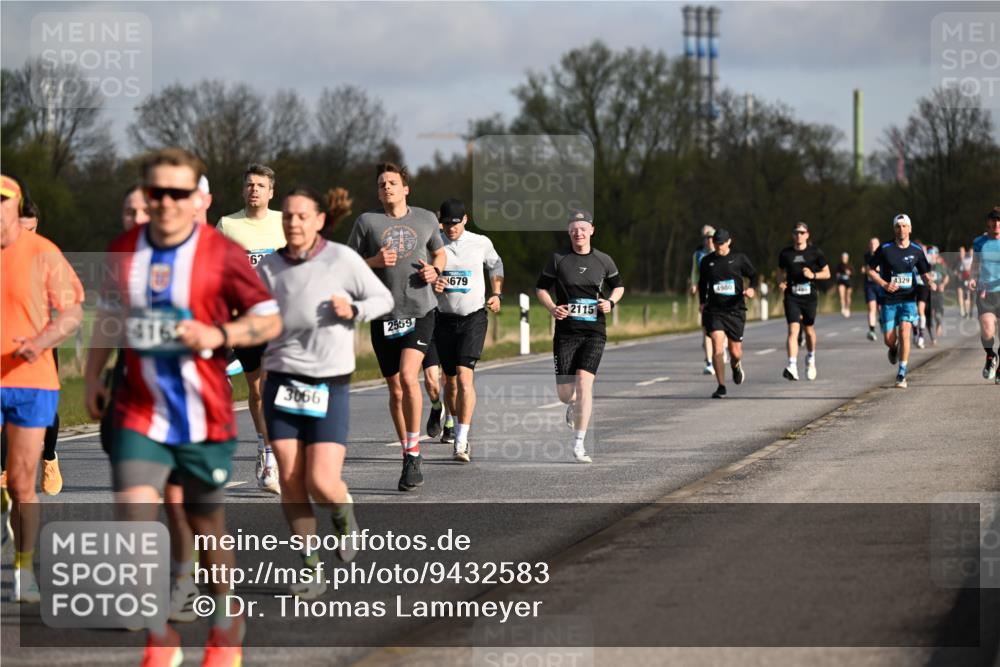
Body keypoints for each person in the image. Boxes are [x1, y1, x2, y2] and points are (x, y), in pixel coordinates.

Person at [83, 148, 282, 666]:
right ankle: (160, 638)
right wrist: (90, 376)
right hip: (138, 408)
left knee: (205, 524)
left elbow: (267, 320)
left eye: (179, 193)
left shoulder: (221, 253)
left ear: (198, 198)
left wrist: (219, 332)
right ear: (147, 197)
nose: (167, 203)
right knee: (135, 513)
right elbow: (108, 317)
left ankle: (224, 626)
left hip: (203, 413)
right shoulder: (125, 249)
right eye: (157, 193)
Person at [258, 186, 392, 598]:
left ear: (318, 220)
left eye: (302, 216)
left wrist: (355, 310)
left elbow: (382, 298)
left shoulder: (342, 259)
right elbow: (252, 314)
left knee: (320, 480)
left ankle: (343, 510)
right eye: (288, 217)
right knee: (290, 477)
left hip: (328, 382)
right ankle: (310, 566)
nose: (293, 223)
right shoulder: (268, 268)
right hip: (280, 380)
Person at [1, 173, 84, 602]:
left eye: (2, 201)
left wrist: (42, 341)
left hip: (32, 382)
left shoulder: (42, 252)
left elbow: (71, 312)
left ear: (17, 207)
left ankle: (23, 569)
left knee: (20, 483)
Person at [347, 162, 445, 491]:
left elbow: (440, 252)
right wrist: (373, 262)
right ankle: (407, 452)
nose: (386, 187)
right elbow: (345, 265)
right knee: (395, 388)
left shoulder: (426, 218)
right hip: (382, 314)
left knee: (408, 376)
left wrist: (435, 271)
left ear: (406, 188)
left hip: (420, 310)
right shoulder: (367, 222)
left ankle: (415, 453)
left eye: (392, 182)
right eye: (381, 184)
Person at [217, 164, 286, 493]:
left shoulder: (284, 223)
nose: (254, 189)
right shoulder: (227, 225)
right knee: (256, 390)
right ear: (243, 190)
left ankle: (274, 455)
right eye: (249, 185)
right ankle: (265, 448)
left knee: (273, 387)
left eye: (260, 185)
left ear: (271, 191)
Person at [536, 211, 623, 463]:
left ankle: (579, 443)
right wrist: (552, 307)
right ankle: (572, 405)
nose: (578, 233)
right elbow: (541, 288)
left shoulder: (604, 260)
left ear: (591, 231)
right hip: (566, 332)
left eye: (583, 228)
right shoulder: (558, 259)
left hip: (594, 332)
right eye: (574, 229)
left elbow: (619, 285)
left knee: (585, 383)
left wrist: (611, 302)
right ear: (569, 232)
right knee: (566, 394)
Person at [431, 199, 504, 462]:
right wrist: (433, 282)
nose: (450, 228)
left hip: (473, 317)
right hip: (443, 319)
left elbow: (496, 265)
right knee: (449, 381)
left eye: (455, 223)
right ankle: (451, 419)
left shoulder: (480, 242)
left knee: (464, 377)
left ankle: (461, 441)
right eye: (446, 223)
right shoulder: (434, 243)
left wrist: (496, 293)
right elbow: (421, 274)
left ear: (465, 220)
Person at [866, 214, 935, 388]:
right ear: (894, 229)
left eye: (904, 226)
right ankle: (893, 347)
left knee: (905, 331)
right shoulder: (885, 248)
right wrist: (884, 284)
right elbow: (871, 271)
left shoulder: (916, 250)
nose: (901, 229)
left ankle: (902, 374)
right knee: (889, 339)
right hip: (888, 299)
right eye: (898, 226)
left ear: (910, 229)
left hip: (908, 299)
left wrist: (930, 282)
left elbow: (924, 272)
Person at [698, 229, 757, 398]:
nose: (718, 247)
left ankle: (736, 365)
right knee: (717, 345)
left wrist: (752, 289)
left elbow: (754, 275)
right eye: (716, 243)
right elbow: (702, 283)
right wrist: (702, 302)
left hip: (736, 310)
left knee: (735, 352)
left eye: (722, 243)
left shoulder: (739, 259)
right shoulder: (707, 261)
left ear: (729, 242)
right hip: (715, 311)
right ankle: (721, 386)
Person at [777, 222, 830, 381]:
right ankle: (792, 365)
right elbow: (780, 272)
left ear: (807, 235)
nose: (798, 236)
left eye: (801, 233)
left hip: (809, 295)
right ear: (793, 235)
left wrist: (813, 275)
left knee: (808, 330)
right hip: (792, 295)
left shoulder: (815, 252)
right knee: (793, 330)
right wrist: (781, 282)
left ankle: (811, 358)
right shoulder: (786, 254)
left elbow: (827, 273)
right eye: (796, 233)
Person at [970, 206, 1000, 383]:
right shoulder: (979, 242)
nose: (996, 223)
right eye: (994, 220)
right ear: (988, 223)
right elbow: (975, 264)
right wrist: (973, 279)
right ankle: (990, 356)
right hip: (985, 292)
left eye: (999, 221)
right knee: (988, 331)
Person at [690, 225, 718, 375]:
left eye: (712, 238)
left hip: (721, 295)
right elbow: (695, 272)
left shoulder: (723, 254)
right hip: (705, 294)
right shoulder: (699, 254)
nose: (710, 241)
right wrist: (694, 285)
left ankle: (720, 349)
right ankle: (709, 362)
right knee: (707, 329)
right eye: (707, 238)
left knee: (720, 328)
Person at [860, 237, 883, 341]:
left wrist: (880, 269)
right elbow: (866, 268)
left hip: (881, 285)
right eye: (871, 244)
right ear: (869, 245)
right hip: (870, 286)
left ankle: (882, 321)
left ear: (879, 245)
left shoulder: (883, 255)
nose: (873, 246)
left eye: (875, 244)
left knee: (880, 309)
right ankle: (872, 331)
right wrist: (864, 269)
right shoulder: (866, 256)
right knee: (872, 308)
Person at [955, 246, 974, 319]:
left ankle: (968, 311)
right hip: (961, 281)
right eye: (960, 251)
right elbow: (954, 270)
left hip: (969, 280)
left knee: (968, 296)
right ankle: (964, 311)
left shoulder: (972, 260)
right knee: (963, 295)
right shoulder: (960, 261)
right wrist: (958, 273)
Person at [835, 251, 853, 318]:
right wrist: (838, 275)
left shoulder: (850, 265)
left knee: (847, 296)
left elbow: (853, 274)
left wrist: (849, 273)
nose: (844, 259)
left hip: (848, 283)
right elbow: (836, 274)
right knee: (841, 295)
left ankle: (847, 308)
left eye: (845, 257)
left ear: (847, 258)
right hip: (841, 282)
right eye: (843, 257)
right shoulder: (839, 265)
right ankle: (843, 307)